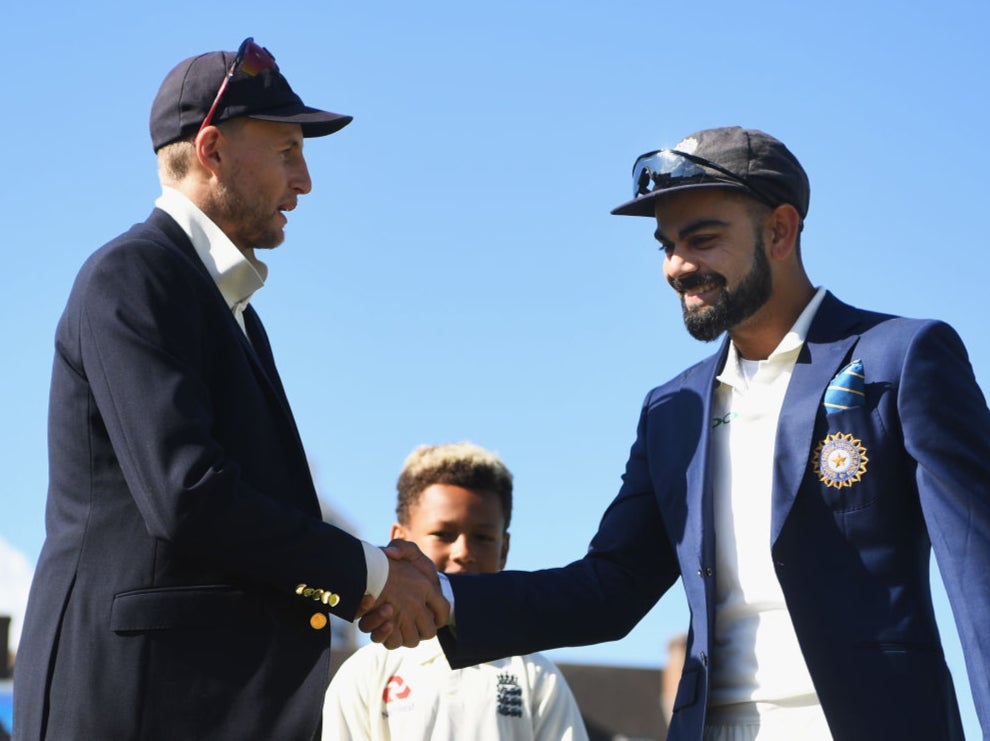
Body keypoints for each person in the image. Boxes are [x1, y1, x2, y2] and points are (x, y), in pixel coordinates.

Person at [363, 127, 990, 740]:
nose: (676, 267)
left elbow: (979, 576)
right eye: (666, 245)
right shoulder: (673, 407)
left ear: (780, 230)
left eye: (702, 239)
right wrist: (444, 596)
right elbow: (607, 590)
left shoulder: (902, 358)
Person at [14, 38, 447, 741]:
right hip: (135, 707)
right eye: (286, 152)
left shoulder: (223, 306)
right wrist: (369, 576)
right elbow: (190, 494)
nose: (303, 180)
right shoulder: (133, 276)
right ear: (211, 149)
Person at [324, 442, 588, 741]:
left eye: (482, 537)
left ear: (504, 549)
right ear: (400, 542)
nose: (463, 551)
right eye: (443, 534)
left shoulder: (536, 676)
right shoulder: (365, 673)